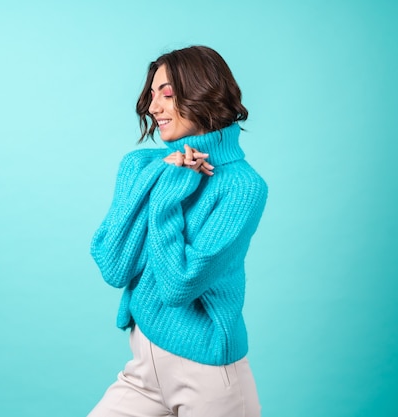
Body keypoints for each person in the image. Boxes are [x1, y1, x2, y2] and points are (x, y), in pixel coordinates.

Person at [88, 45, 268, 417]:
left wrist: (170, 196)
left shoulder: (242, 187)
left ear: (204, 93)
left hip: (210, 380)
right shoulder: (142, 166)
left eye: (167, 94)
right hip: (143, 371)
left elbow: (178, 286)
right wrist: (164, 176)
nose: (153, 107)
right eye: (151, 95)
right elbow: (113, 265)